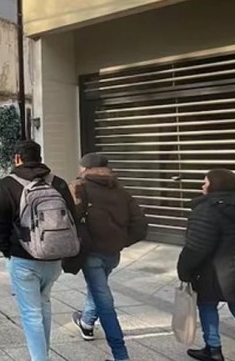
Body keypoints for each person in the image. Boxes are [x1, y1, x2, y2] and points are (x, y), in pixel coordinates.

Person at [0, 141, 77, 361]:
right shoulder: (56, 182)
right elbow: (73, 217)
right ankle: (43, 353)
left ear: (18, 158)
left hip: (23, 257)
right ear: (39, 157)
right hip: (54, 255)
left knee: (31, 313)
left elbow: (0, 223)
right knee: (44, 303)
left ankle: (40, 358)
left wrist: (6, 251)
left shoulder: (7, 184)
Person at [68, 154, 148, 361]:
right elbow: (140, 228)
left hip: (91, 253)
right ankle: (86, 323)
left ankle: (120, 356)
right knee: (98, 289)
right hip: (113, 254)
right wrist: (120, 241)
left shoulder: (79, 188)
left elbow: (70, 219)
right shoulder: (121, 190)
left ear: (86, 169)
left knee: (105, 302)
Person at [177, 169, 235, 361]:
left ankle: (214, 350)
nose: (202, 186)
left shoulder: (206, 210)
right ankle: (212, 349)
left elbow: (197, 247)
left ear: (215, 186)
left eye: (205, 182)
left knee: (207, 305)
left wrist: (184, 270)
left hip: (213, 273)